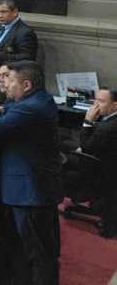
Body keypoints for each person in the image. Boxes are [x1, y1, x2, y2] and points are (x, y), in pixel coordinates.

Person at [0, 61, 61, 285]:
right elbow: (9, 109)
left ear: (26, 84)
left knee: (39, 252)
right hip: (36, 185)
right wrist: (0, 111)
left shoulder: (29, 108)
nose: (6, 83)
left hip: (30, 192)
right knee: (32, 248)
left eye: (11, 80)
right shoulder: (39, 99)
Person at [63, 86, 117, 234]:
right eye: (95, 100)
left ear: (115, 105)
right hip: (107, 161)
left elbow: (86, 147)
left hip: (99, 169)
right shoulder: (110, 120)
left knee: (62, 145)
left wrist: (88, 121)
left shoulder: (107, 128)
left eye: (101, 101)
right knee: (67, 141)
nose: (95, 105)